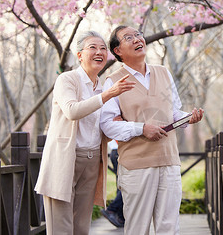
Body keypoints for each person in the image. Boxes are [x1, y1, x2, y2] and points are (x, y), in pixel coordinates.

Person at [100, 25, 204, 235]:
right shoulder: (113, 81)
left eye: (138, 34)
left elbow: (173, 111)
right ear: (117, 50)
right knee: (138, 228)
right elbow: (107, 125)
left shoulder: (163, 73)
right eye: (128, 38)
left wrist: (188, 118)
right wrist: (142, 129)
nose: (137, 39)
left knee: (169, 227)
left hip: (169, 161)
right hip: (137, 166)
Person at [34, 31, 136, 235]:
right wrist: (108, 95)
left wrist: (117, 122)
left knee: (81, 227)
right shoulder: (67, 80)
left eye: (103, 49)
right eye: (93, 47)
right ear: (80, 55)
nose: (99, 52)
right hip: (64, 159)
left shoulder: (103, 85)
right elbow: (72, 111)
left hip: (92, 160)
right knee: (61, 227)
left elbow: (101, 125)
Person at [101, 140, 125, 228]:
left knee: (121, 185)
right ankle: (112, 209)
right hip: (120, 151)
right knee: (125, 186)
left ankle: (121, 217)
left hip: (117, 152)